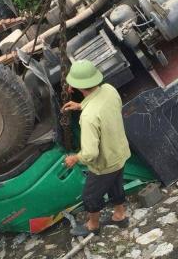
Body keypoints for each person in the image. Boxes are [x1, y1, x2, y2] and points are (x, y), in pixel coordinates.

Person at [62, 60, 131, 237]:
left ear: (77, 86)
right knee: (115, 185)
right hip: (120, 152)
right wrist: (81, 105)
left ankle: (93, 225)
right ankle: (119, 215)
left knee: (90, 196)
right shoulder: (109, 89)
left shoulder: (88, 117)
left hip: (105, 163)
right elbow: (104, 108)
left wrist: (75, 158)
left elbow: (91, 153)